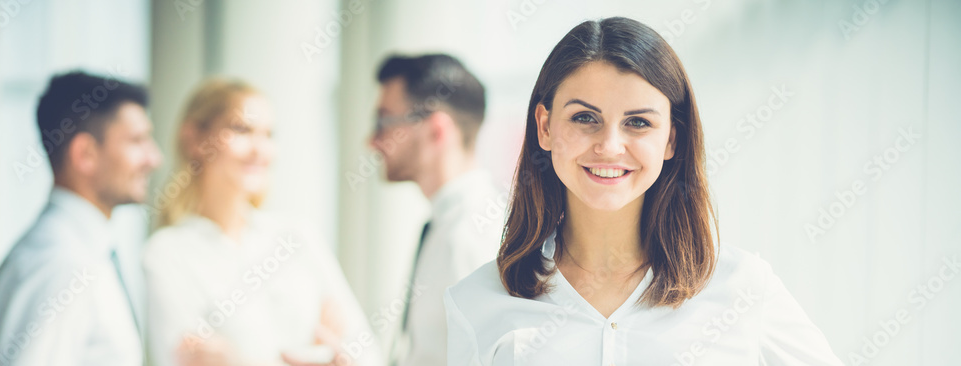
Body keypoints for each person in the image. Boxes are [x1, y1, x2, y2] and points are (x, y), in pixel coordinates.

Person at [444, 17, 844, 365]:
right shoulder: (476, 302)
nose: (610, 146)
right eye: (585, 118)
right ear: (545, 127)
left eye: (638, 123)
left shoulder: (743, 289)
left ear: (671, 139)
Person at [143, 79, 381, 366]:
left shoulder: (296, 237)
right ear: (195, 139)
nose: (260, 149)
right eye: (241, 129)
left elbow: (366, 354)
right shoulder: (168, 253)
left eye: (268, 134)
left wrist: (238, 361)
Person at [0, 71, 162, 366]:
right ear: (85, 154)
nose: (154, 158)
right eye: (137, 141)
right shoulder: (61, 264)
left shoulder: (80, 252)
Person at [369, 54, 505, 366]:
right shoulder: (449, 223)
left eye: (384, 121)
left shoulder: (472, 236)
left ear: (436, 130)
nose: (372, 141)